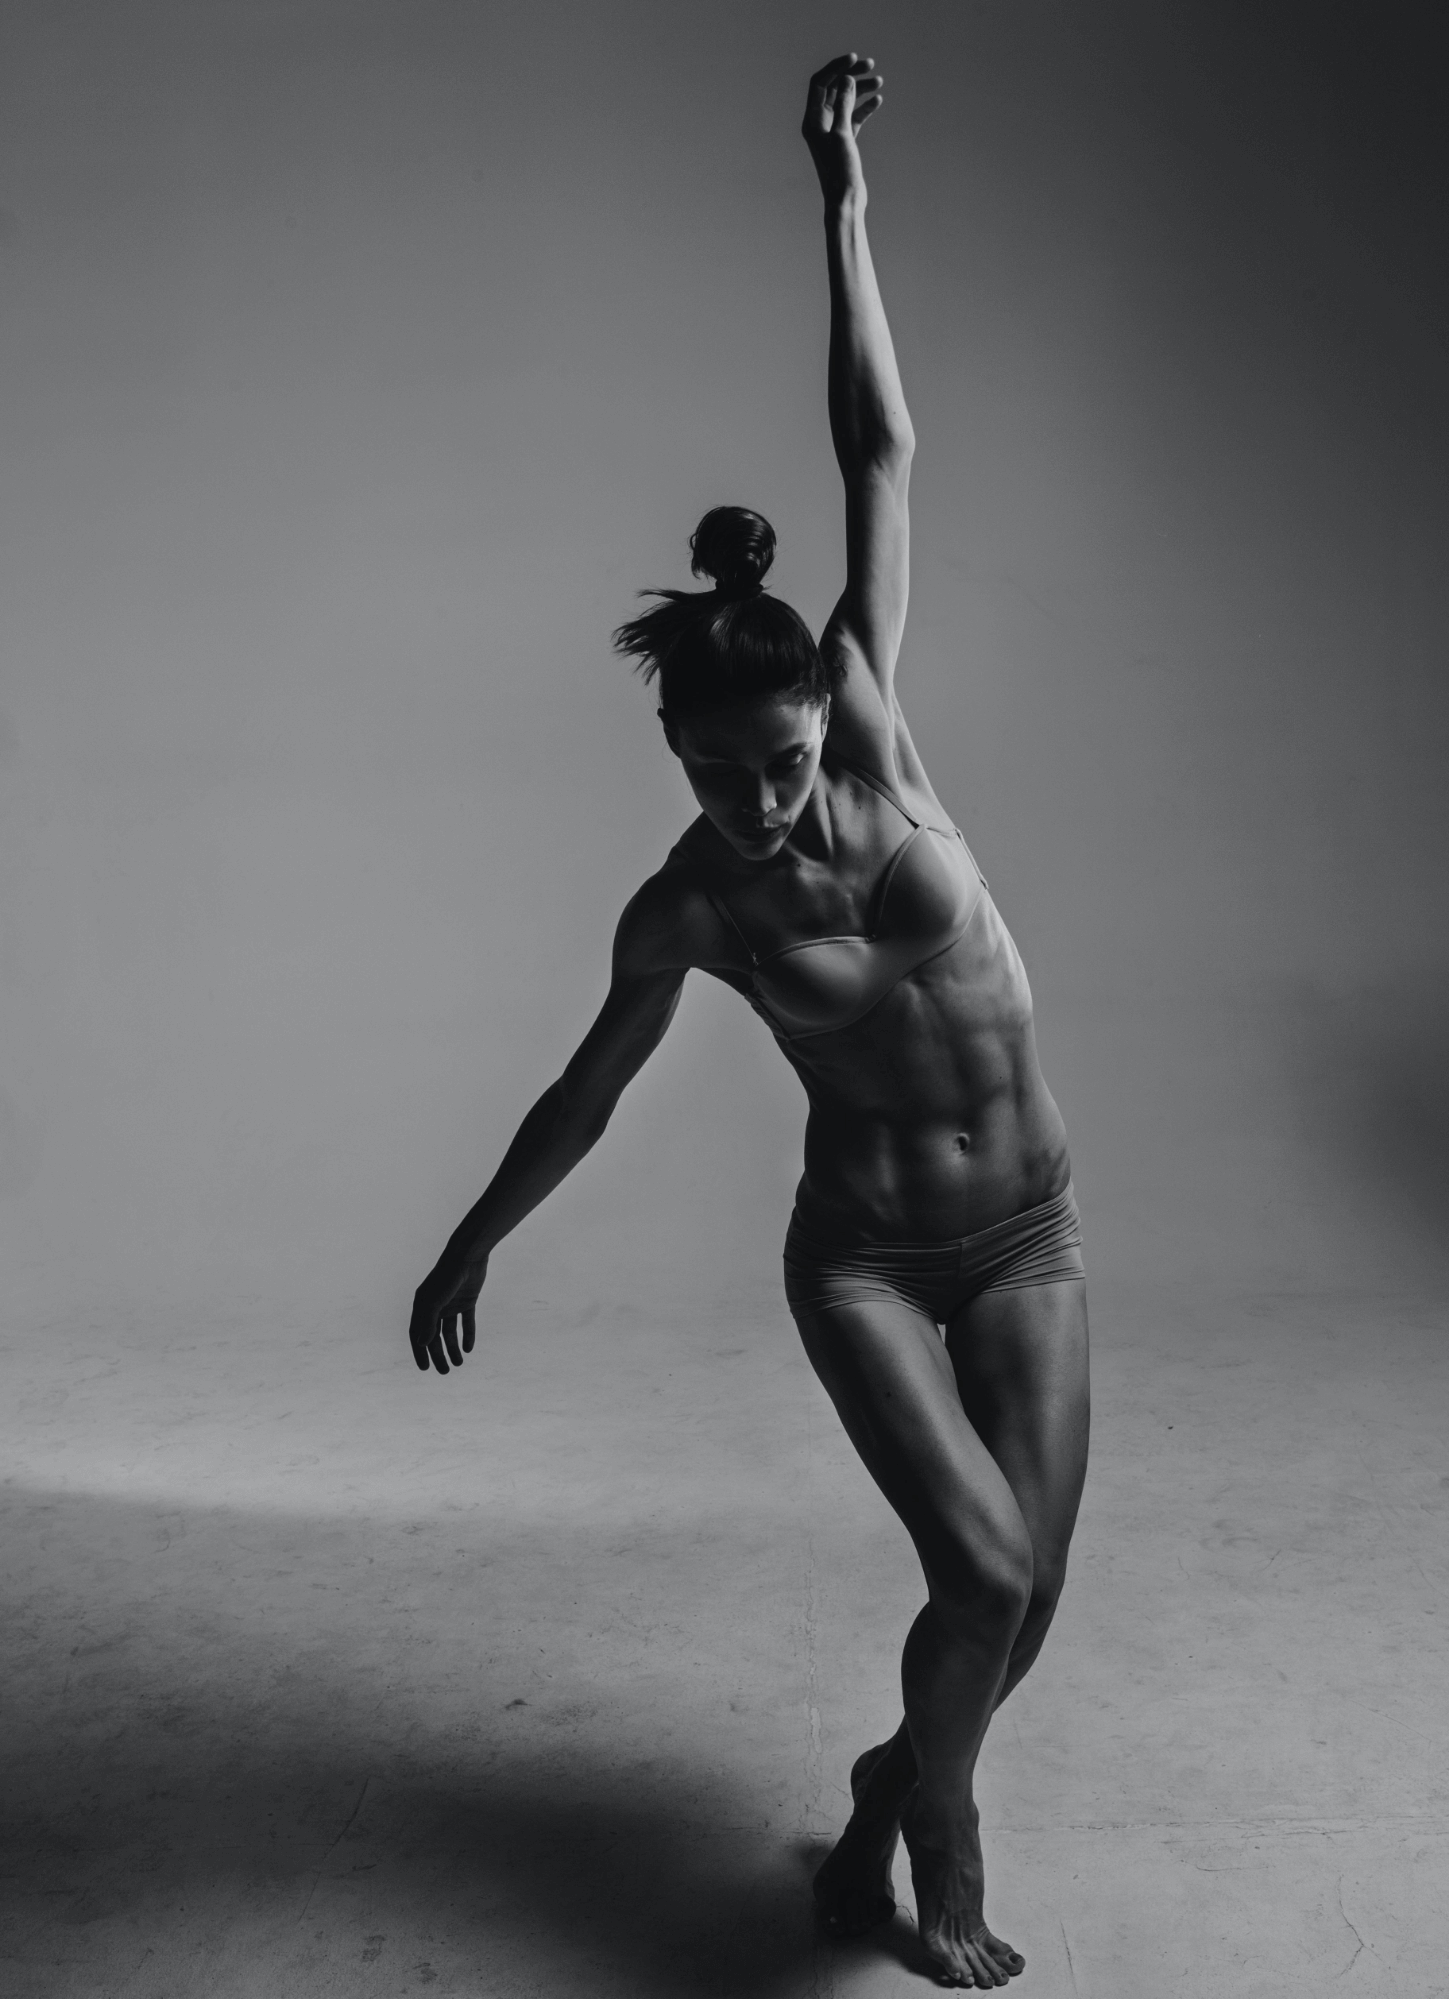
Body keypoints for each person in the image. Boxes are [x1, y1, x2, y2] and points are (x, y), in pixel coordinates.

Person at [409, 52, 1089, 1991]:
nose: (757, 797)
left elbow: (877, 450)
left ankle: (882, 1790)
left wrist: (837, 191)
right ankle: (935, 1833)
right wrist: (473, 1235)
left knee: (1019, 1607)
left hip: (1033, 1229)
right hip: (869, 1255)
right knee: (977, 1574)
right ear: (672, 751)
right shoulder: (685, 907)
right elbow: (587, 1089)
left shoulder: (866, 717)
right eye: (714, 768)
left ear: (821, 717)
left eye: (776, 758)